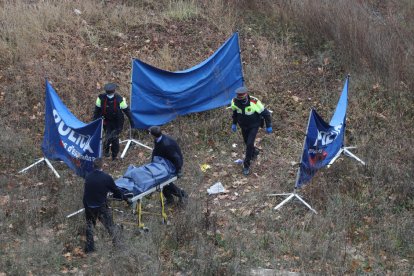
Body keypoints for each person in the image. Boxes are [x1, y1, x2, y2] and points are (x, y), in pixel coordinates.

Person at [83, 158, 130, 253]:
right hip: (100, 206)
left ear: (93, 166)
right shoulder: (106, 177)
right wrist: (125, 199)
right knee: (110, 226)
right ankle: (119, 247)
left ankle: (89, 249)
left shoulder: (88, 176)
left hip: (88, 205)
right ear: (102, 166)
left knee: (90, 226)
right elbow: (116, 191)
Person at [231, 86, 272, 175]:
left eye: (242, 96)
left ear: (246, 94)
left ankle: (246, 165)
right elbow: (235, 113)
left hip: (254, 125)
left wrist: (268, 125)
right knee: (247, 142)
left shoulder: (254, 102)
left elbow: (266, 114)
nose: (240, 98)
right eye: (239, 96)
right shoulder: (234, 101)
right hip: (243, 126)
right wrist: (234, 123)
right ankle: (255, 152)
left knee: (249, 144)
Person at [93, 83, 134, 160]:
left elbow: (96, 111)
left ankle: (111, 154)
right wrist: (132, 121)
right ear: (114, 91)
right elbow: (127, 111)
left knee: (113, 137)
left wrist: (94, 121)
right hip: (107, 121)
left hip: (117, 123)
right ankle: (110, 153)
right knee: (110, 136)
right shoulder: (119, 99)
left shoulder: (102, 98)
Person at [148, 126, 188, 205]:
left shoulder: (167, 144)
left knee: (162, 180)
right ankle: (170, 199)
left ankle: (182, 194)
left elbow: (176, 157)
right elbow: (156, 150)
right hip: (163, 162)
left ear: (153, 135)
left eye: (150, 133)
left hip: (171, 165)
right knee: (161, 182)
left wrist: (178, 169)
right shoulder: (158, 139)